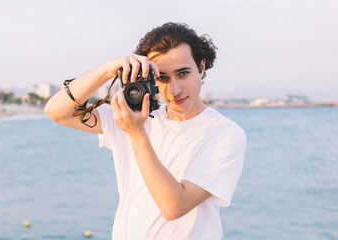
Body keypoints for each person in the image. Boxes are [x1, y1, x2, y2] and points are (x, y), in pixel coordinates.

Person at [45, 22, 246, 240]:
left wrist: (136, 134)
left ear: (201, 66)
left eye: (183, 73)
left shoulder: (224, 134)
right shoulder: (133, 118)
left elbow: (174, 207)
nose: (174, 89)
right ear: (151, 78)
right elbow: (57, 111)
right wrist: (107, 70)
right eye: (163, 78)